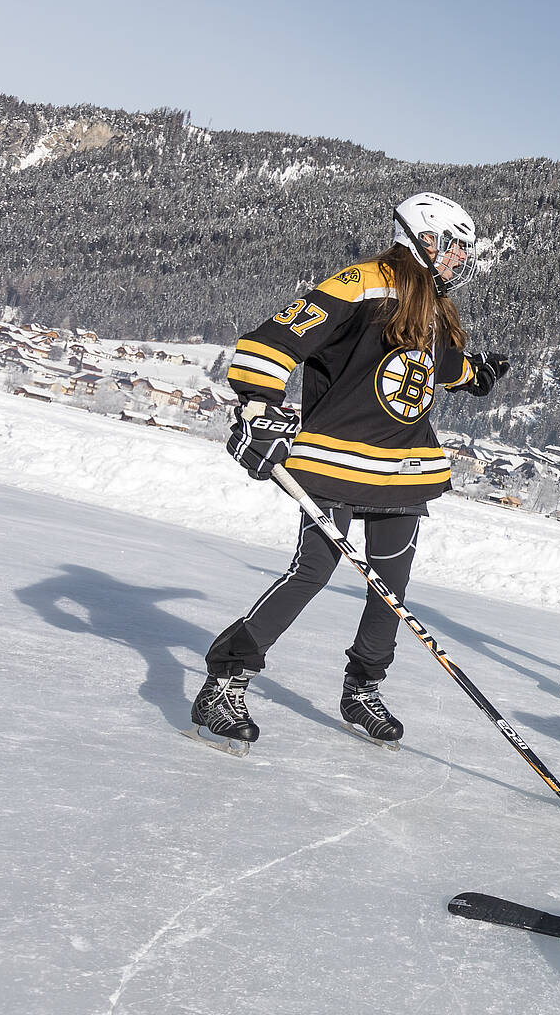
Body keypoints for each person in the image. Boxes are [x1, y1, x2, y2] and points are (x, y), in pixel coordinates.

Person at [191, 192, 509, 756]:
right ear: (425, 238)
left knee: (391, 588)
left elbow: (421, 365)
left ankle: (362, 689)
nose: (462, 259)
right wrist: (257, 406)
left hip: (403, 465)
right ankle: (224, 680)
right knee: (312, 569)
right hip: (336, 458)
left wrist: (473, 374)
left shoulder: (431, 304)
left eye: (465, 250)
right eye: (456, 246)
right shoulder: (361, 282)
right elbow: (274, 340)